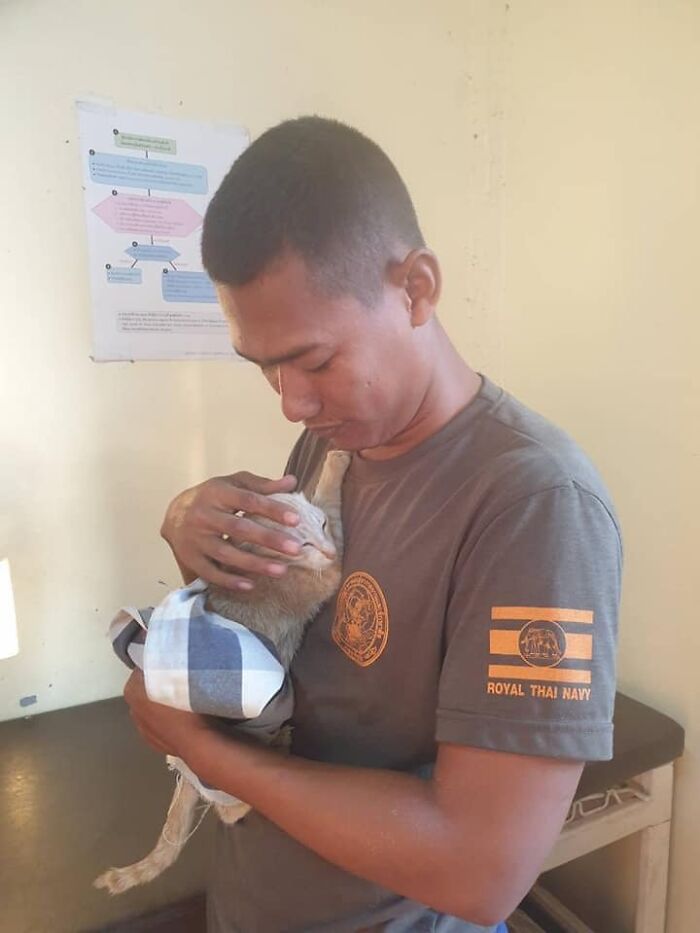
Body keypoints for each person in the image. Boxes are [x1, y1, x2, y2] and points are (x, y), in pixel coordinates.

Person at [124, 117, 623, 932]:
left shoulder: (537, 504)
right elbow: (301, 645)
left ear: (417, 288)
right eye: (266, 366)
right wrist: (194, 534)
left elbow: (479, 868)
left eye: (316, 360)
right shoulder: (334, 433)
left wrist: (209, 753)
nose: (293, 401)